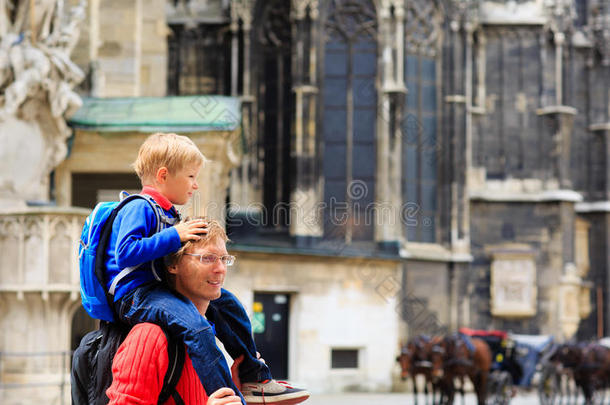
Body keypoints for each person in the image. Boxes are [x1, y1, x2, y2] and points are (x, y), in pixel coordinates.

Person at [106, 133, 308, 405]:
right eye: (190, 177)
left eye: (223, 259)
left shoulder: (165, 211)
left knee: (231, 306)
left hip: (154, 290)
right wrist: (176, 236)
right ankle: (226, 395)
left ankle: (253, 377)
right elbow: (125, 253)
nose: (196, 185)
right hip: (136, 295)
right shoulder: (139, 206)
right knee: (198, 328)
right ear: (163, 175)